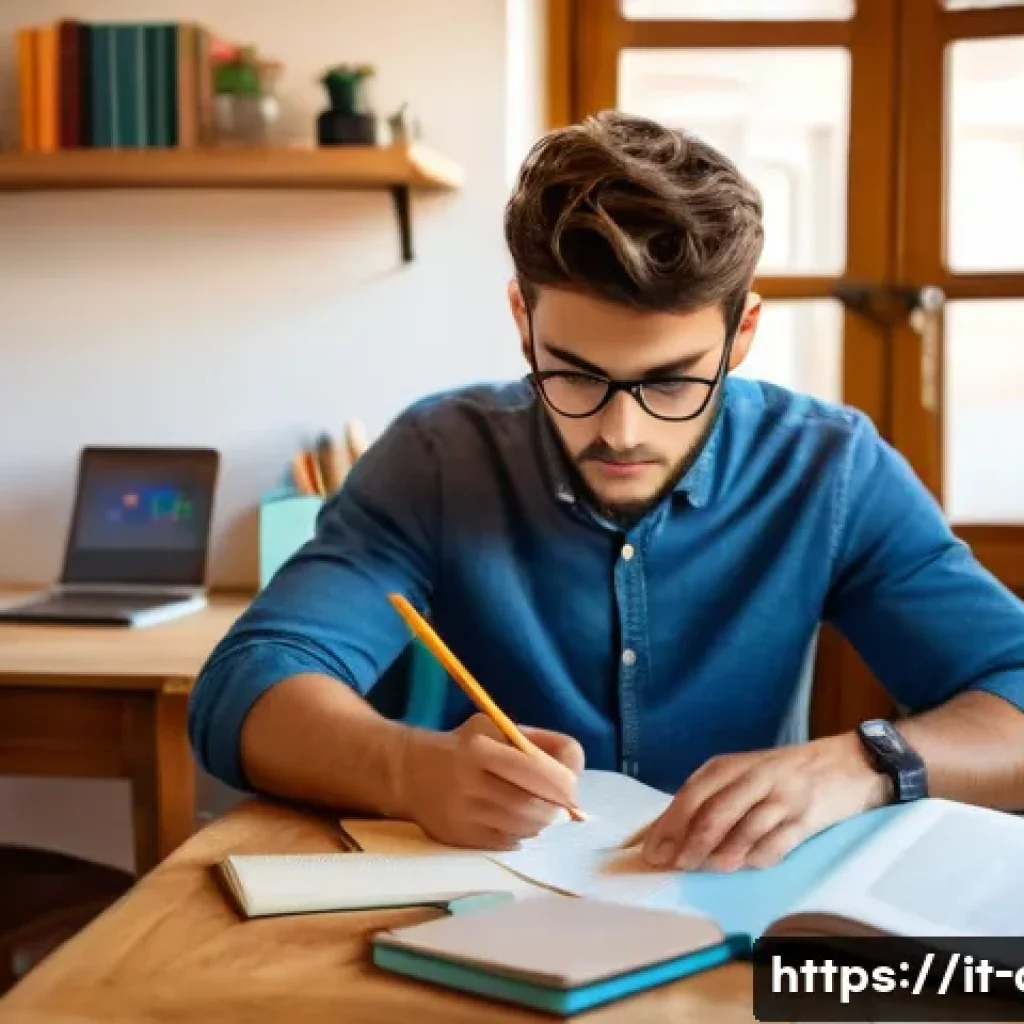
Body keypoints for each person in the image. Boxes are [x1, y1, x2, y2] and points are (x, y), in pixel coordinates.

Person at [189, 111, 1024, 874]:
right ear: (524, 319)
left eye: (670, 384)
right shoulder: (439, 457)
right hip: (486, 909)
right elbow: (249, 683)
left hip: (738, 919)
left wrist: (867, 763)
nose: (622, 431)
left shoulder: (829, 469)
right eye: (577, 376)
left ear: (743, 336)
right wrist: (409, 770)